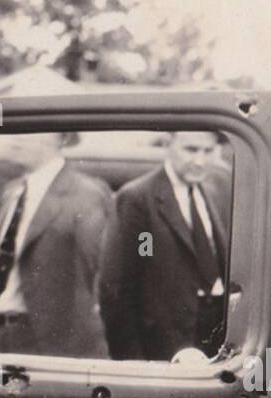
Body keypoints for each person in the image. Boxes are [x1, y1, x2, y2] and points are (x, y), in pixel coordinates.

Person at [0, 131, 113, 357]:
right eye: (17, 128)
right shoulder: (11, 192)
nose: (17, 137)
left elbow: (101, 277)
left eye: (31, 130)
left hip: (47, 346)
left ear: (62, 138)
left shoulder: (86, 194)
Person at [99, 131, 232, 361]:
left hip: (214, 335)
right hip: (166, 342)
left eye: (208, 151)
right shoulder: (140, 199)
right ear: (168, 145)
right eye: (190, 149)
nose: (200, 161)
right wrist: (133, 361)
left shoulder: (214, 190)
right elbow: (121, 286)